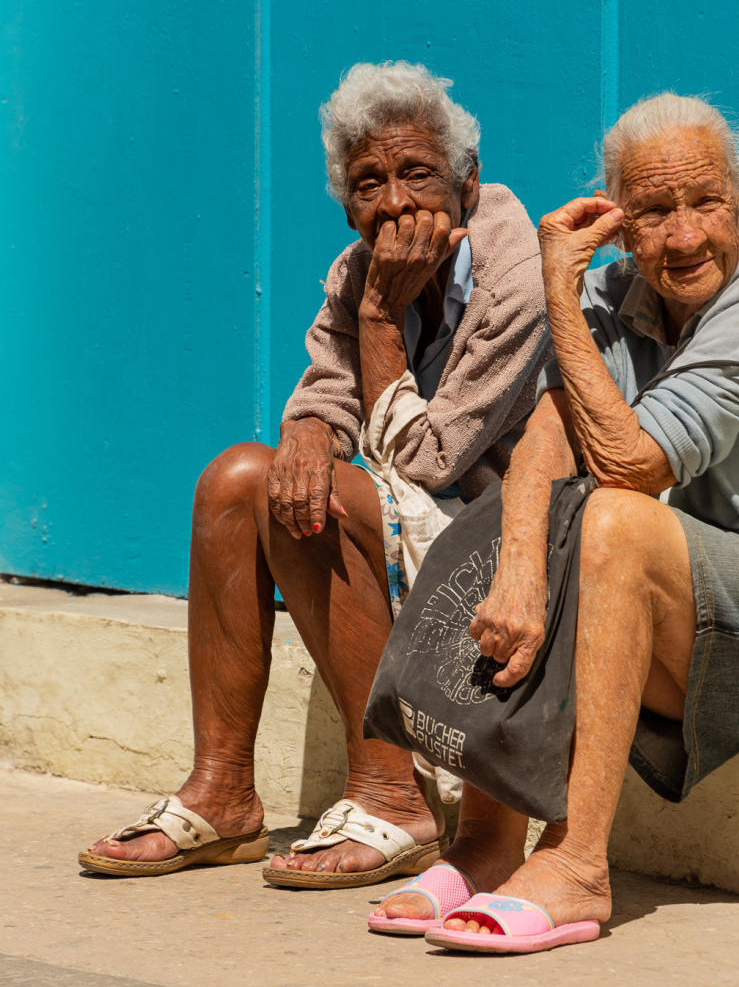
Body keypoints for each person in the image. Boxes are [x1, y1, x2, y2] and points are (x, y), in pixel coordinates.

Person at [369, 92, 739, 952]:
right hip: (709, 617)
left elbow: (632, 465)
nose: (683, 237)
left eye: (705, 203)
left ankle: (579, 864)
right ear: (621, 222)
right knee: (541, 510)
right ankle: (486, 846)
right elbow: (552, 434)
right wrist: (519, 570)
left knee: (615, 521)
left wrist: (556, 286)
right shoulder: (620, 292)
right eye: (655, 211)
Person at [79, 61, 549, 886]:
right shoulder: (357, 267)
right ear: (347, 203)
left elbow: (432, 458)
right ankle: (222, 791)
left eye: (417, 175)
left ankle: (392, 794)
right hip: (412, 515)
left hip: (506, 538)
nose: (397, 204)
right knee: (236, 478)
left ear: (467, 182)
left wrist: (378, 321)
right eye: (370, 183)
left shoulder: (519, 273)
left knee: (317, 493)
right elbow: (326, 390)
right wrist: (305, 428)